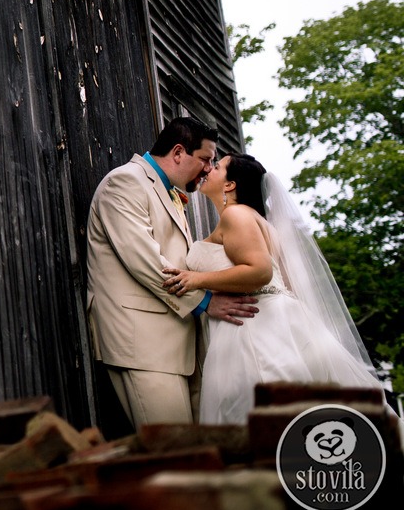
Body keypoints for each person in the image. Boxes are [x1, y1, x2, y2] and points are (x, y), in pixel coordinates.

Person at [162, 153, 398, 428]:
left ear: (230, 185)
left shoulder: (237, 215)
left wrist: (196, 279)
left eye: (218, 166)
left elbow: (260, 272)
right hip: (274, 321)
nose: (209, 170)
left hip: (253, 328)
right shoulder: (258, 222)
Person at [86, 117, 259, 429]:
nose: (209, 169)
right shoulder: (124, 182)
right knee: (174, 449)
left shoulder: (172, 193)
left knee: (200, 449)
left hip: (182, 345)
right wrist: (207, 300)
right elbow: (146, 263)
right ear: (179, 152)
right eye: (206, 159)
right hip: (143, 344)